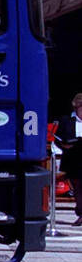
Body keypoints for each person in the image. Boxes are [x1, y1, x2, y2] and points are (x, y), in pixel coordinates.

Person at [56, 92, 82, 226]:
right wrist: (65, 145)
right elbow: (58, 138)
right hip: (74, 160)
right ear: (76, 107)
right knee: (77, 187)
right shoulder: (67, 121)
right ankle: (81, 213)